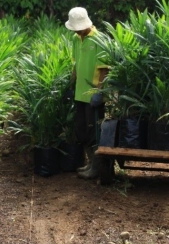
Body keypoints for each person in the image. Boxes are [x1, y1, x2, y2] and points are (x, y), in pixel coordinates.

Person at [64, 7, 109, 179]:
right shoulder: (76, 39)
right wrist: (71, 85)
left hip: (93, 95)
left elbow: (104, 69)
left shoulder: (99, 39)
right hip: (79, 94)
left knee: (94, 131)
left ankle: (97, 168)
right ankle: (90, 163)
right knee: (82, 130)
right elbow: (76, 65)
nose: (76, 30)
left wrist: (99, 92)